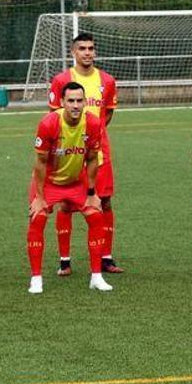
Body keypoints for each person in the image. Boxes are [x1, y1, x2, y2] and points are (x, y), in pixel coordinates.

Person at [47, 32, 122, 276]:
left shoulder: (107, 80)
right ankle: (64, 260)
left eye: (91, 48)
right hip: (69, 155)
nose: (87, 52)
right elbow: (55, 119)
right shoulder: (61, 80)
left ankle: (106, 257)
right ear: (73, 52)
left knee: (105, 202)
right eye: (82, 48)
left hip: (100, 154)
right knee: (67, 205)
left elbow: (106, 115)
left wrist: (94, 137)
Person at [27, 82, 111, 294]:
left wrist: (92, 193)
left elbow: (92, 159)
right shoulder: (48, 123)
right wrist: (38, 196)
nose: (75, 105)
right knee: (38, 218)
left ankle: (96, 277)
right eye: (70, 101)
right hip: (49, 182)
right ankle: (36, 279)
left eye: (79, 101)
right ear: (62, 102)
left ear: (85, 102)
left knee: (96, 216)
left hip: (76, 182)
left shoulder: (92, 123)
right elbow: (40, 163)